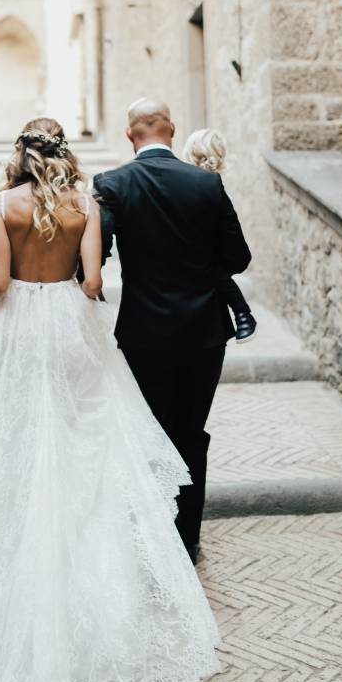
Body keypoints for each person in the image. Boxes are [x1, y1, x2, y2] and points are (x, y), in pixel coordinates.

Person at [0, 117, 221, 682]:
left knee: (22, 451)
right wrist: (66, 283)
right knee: (83, 453)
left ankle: (25, 576)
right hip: (70, 332)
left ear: (19, 156)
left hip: (18, 334)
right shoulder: (85, 204)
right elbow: (92, 286)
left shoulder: (3, 205)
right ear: (62, 155)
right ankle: (89, 583)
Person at [92, 99, 252, 566]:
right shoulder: (207, 183)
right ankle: (186, 540)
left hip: (143, 333)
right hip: (204, 332)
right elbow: (238, 258)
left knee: (148, 430)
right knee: (190, 432)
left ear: (129, 135)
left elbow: (95, 254)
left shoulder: (113, 184)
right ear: (173, 130)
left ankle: (150, 535)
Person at [181, 127, 257, 343]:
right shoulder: (201, 180)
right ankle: (243, 313)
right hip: (194, 247)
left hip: (205, 250)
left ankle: (243, 313)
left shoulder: (209, 183)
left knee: (215, 270)